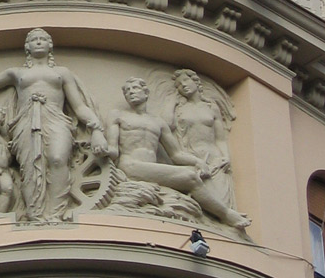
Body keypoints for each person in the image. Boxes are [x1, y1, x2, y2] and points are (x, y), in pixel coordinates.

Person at [0, 28, 108, 223]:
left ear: (50, 45)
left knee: (58, 159)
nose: (38, 42)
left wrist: (96, 129)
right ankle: (35, 214)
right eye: (34, 39)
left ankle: (55, 213)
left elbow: (79, 106)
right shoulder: (16, 73)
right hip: (27, 122)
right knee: (29, 167)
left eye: (42, 39)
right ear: (27, 46)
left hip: (56, 119)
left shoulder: (62, 73)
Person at [107, 78, 250, 230]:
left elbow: (176, 154)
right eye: (127, 91)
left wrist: (198, 162)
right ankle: (226, 214)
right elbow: (113, 150)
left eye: (135, 88)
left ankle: (218, 212)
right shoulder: (118, 115)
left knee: (194, 173)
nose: (131, 93)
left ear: (146, 93)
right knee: (190, 176)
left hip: (149, 168)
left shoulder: (158, 122)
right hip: (130, 165)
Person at [168, 69, 236, 210]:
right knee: (201, 206)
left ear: (196, 81)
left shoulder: (211, 107)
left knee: (222, 204)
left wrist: (226, 157)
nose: (183, 85)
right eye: (179, 85)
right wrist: (172, 101)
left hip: (215, 161)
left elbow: (220, 139)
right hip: (192, 159)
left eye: (186, 80)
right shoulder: (180, 109)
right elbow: (167, 125)